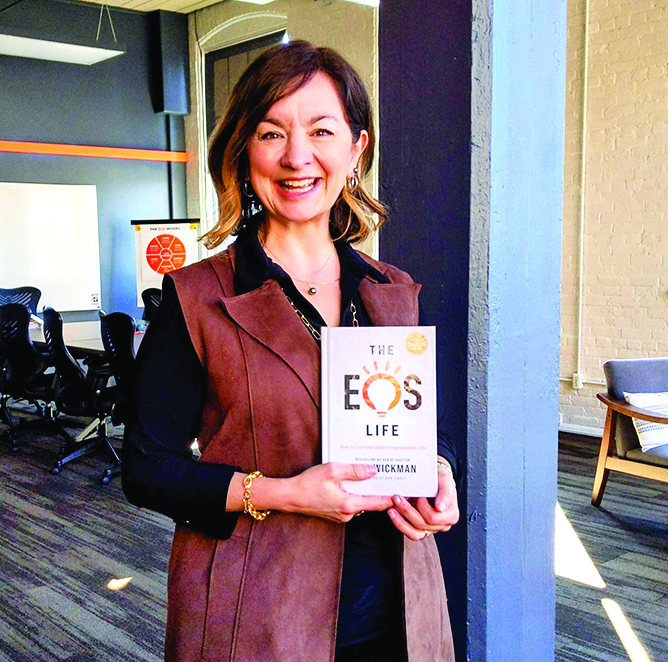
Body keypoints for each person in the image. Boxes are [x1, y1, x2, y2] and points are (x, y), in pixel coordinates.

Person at [122, 40, 459, 662]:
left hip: (400, 613)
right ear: (243, 151)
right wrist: (284, 493)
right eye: (271, 133)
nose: (297, 156)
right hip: (259, 614)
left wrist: (439, 470)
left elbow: (419, 428)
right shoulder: (197, 297)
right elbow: (146, 468)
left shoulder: (391, 291)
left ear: (356, 149)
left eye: (321, 131)